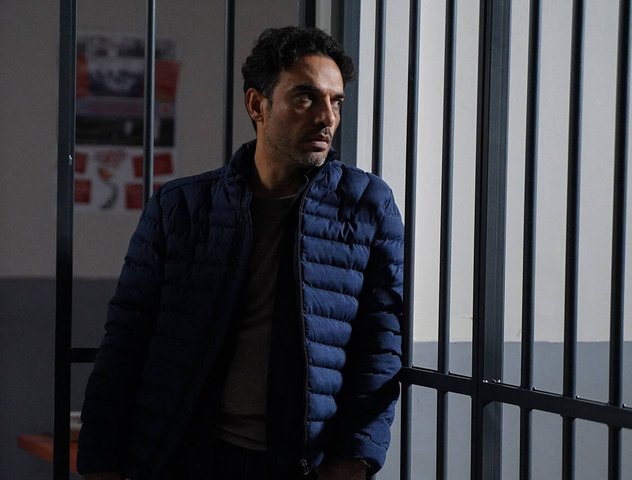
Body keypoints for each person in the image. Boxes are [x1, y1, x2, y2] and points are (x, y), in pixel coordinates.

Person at [77, 25, 404, 480]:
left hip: (301, 461)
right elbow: (126, 340)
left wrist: (353, 462)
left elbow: (380, 347)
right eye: (305, 97)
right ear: (257, 105)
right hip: (187, 456)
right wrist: (101, 463)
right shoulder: (181, 207)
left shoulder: (367, 204)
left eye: (336, 101)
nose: (326, 117)